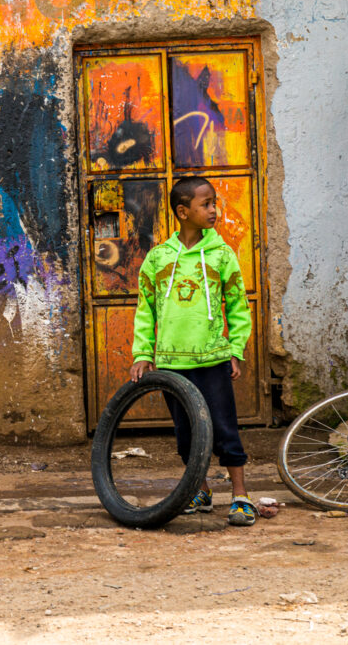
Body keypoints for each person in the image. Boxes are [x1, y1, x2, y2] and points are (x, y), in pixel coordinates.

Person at [129, 176, 256, 527]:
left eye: (214, 203)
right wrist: (143, 353)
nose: (214, 210)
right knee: (186, 434)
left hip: (212, 359)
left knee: (224, 429)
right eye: (206, 204)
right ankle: (200, 491)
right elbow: (145, 309)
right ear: (183, 212)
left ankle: (241, 496)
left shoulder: (221, 255)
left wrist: (235, 350)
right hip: (172, 363)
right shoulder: (158, 258)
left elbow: (238, 306)